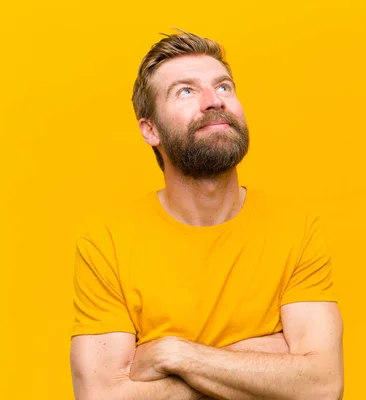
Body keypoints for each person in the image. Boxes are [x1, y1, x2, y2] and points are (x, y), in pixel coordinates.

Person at [69, 29, 344, 400]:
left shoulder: (295, 229)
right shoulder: (107, 244)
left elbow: (322, 386)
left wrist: (173, 354)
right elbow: (102, 396)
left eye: (224, 87)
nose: (214, 101)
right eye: (186, 90)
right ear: (150, 130)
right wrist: (268, 363)